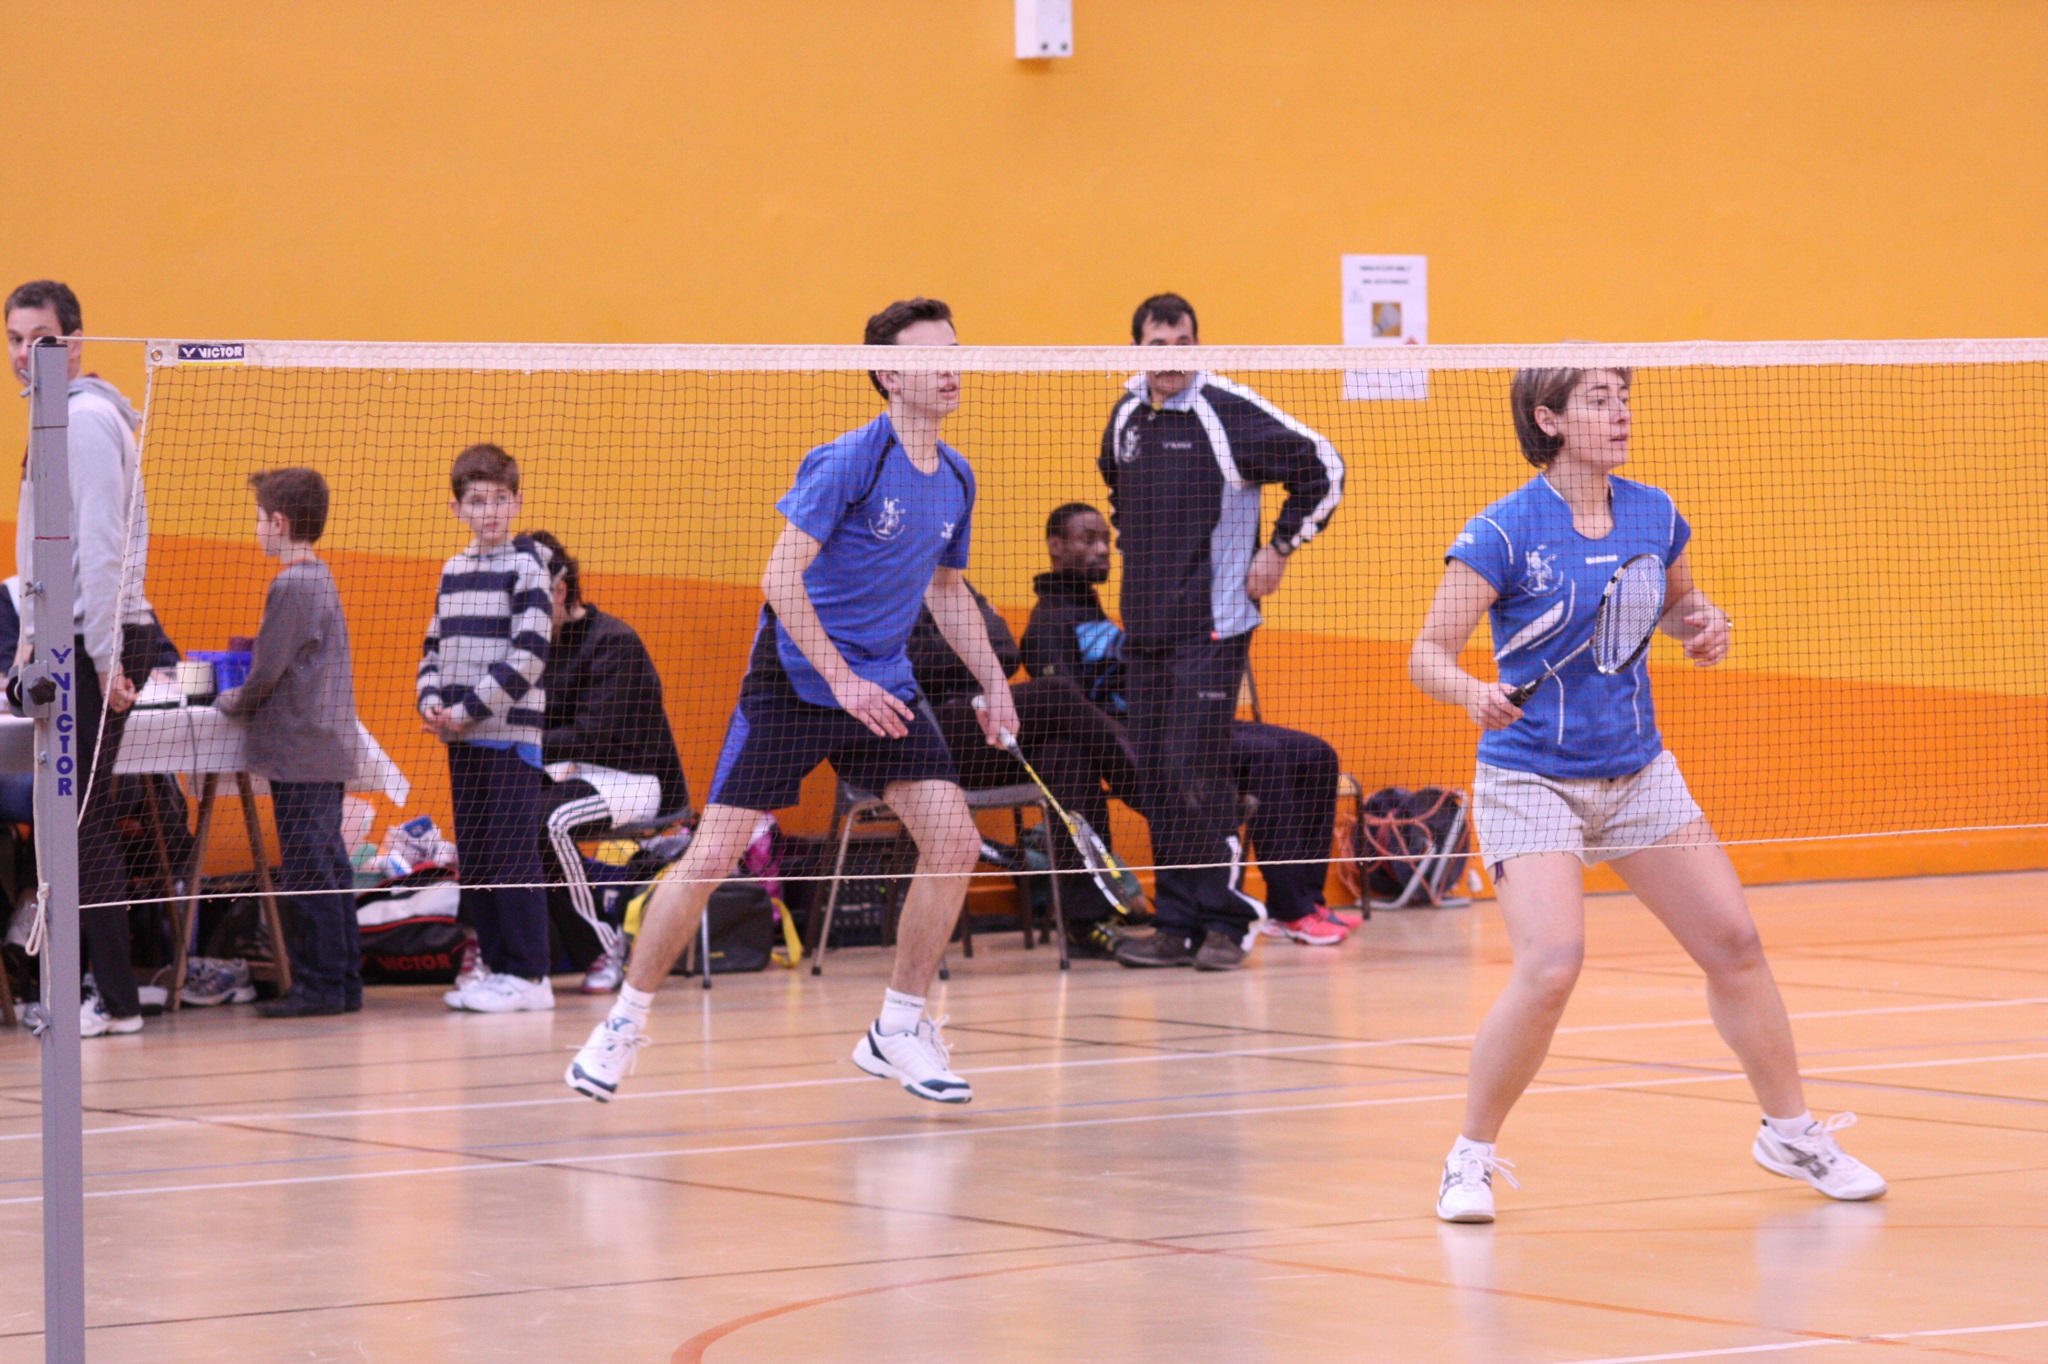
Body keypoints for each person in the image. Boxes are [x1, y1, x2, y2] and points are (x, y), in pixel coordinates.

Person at [1410, 366, 1885, 1223]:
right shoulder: (1502, 530)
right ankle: (1468, 1157)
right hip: (1530, 777)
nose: (1621, 412)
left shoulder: (1654, 513)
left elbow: (1671, 603)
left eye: (1623, 397)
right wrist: (1470, 692)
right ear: (1549, 419)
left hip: (1637, 773)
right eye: (1598, 400)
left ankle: (1791, 1133)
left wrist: (1704, 622)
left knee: (1735, 943)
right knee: (1552, 967)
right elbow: (1426, 655)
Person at [568, 296, 1015, 1105]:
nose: (950, 369)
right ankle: (623, 1023)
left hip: (882, 683)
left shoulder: (956, 478)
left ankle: (899, 1027)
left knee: (954, 842)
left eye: (955, 352)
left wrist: (993, 684)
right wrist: (841, 679)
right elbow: (779, 577)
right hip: (796, 682)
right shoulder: (849, 461)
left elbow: (948, 592)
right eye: (929, 357)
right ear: (888, 376)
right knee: (711, 856)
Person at [1094, 297, 1345, 970]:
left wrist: (1279, 548)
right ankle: (1176, 926)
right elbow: (1118, 492)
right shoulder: (1125, 418)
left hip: (1213, 626)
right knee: (1157, 777)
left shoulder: (1225, 411)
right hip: (1144, 630)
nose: (1172, 357)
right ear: (1137, 351)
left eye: (1184, 343)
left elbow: (1324, 466)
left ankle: (1227, 923)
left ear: (1198, 345)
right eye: (1158, 345)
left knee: (1196, 770)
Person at [1023, 502, 1349, 954]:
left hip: (1178, 719)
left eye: (1105, 539)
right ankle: (1292, 909)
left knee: (1317, 754)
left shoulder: (1091, 610)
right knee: (1266, 756)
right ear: (1056, 547)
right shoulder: (1049, 624)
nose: (1102, 549)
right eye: (1087, 539)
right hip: (1148, 738)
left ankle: (1307, 902)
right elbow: (1079, 719)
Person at [6, 281, 157, 1037]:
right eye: (14, 339)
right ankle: (91, 992)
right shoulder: (51, 416)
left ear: (74, 341)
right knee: (66, 822)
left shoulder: (88, 422)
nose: (24, 353)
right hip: (65, 643)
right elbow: (45, 553)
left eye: (40, 338)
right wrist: (29, 639)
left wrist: (104, 656)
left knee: (83, 824)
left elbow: (100, 552)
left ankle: (115, 1000)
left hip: (98, 643)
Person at [904, 573, 1138, 959]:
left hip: (983, 728)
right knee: (1057, 695)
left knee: (1067, 755)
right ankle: (1150, 793)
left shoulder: (950, 581)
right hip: (920, 736)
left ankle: (1085, 921)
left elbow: (1006, 652)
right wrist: (970, 651)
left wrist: (950, 651)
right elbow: (905, 663)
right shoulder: (880, 580)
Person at [215, 468, 363, 1017]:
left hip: (302, 751)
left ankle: (320, 986)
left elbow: (266, 673)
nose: (256, 529)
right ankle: (342, 982)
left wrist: (229, 701)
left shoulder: (291, 584)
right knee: (328, 866)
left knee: (308, 871)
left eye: (259, 519)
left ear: (278, 522)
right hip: (320, 747)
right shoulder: (319, 578)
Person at [418, 444, 555, 1013]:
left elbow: (530, 653)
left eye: (500, 499)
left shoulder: (528, 569)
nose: (490, 511)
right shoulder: (452, 572)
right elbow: (433, 647)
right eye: (477, 501)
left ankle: (531, 976)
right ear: (457, 509)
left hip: (509, 737)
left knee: (511, 853)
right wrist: (431, 700)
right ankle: (499, 969)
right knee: (476, 856)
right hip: (462, 736)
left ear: (517, 502)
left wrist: (471, 706)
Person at [523, 529, 689, 993]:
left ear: (559, 591)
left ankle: (601, 947)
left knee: (547, 823)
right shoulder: (534, 648)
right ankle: (500, 953)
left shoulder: (614, 641)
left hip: (631, 779)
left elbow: (592, 734)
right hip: (567, 773)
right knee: (493, 813)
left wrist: (518, 741)